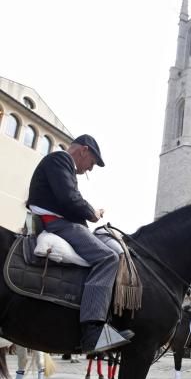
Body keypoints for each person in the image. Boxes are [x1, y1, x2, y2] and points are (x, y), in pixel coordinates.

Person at [26, 134, 134, 354]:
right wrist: (92, 213)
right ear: (84, 150)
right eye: (92, 163)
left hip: (60, 221)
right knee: (108, 257)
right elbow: (69, 199)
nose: (90, 169)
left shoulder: (60, 164)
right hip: (58, 224)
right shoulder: (61, 159)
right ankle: (93, 332)